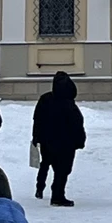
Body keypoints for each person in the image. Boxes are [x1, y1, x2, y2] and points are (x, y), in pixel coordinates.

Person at [31, 72, 86, 207]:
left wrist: (36, 137)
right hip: (66, 143)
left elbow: (37, 120)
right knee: (62, 170)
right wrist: (80, 140)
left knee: (46, 164)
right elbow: (77, 123)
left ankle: (41, 187)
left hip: (47, 141)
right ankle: (57, 195)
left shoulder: (46, 99)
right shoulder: (68, 103)